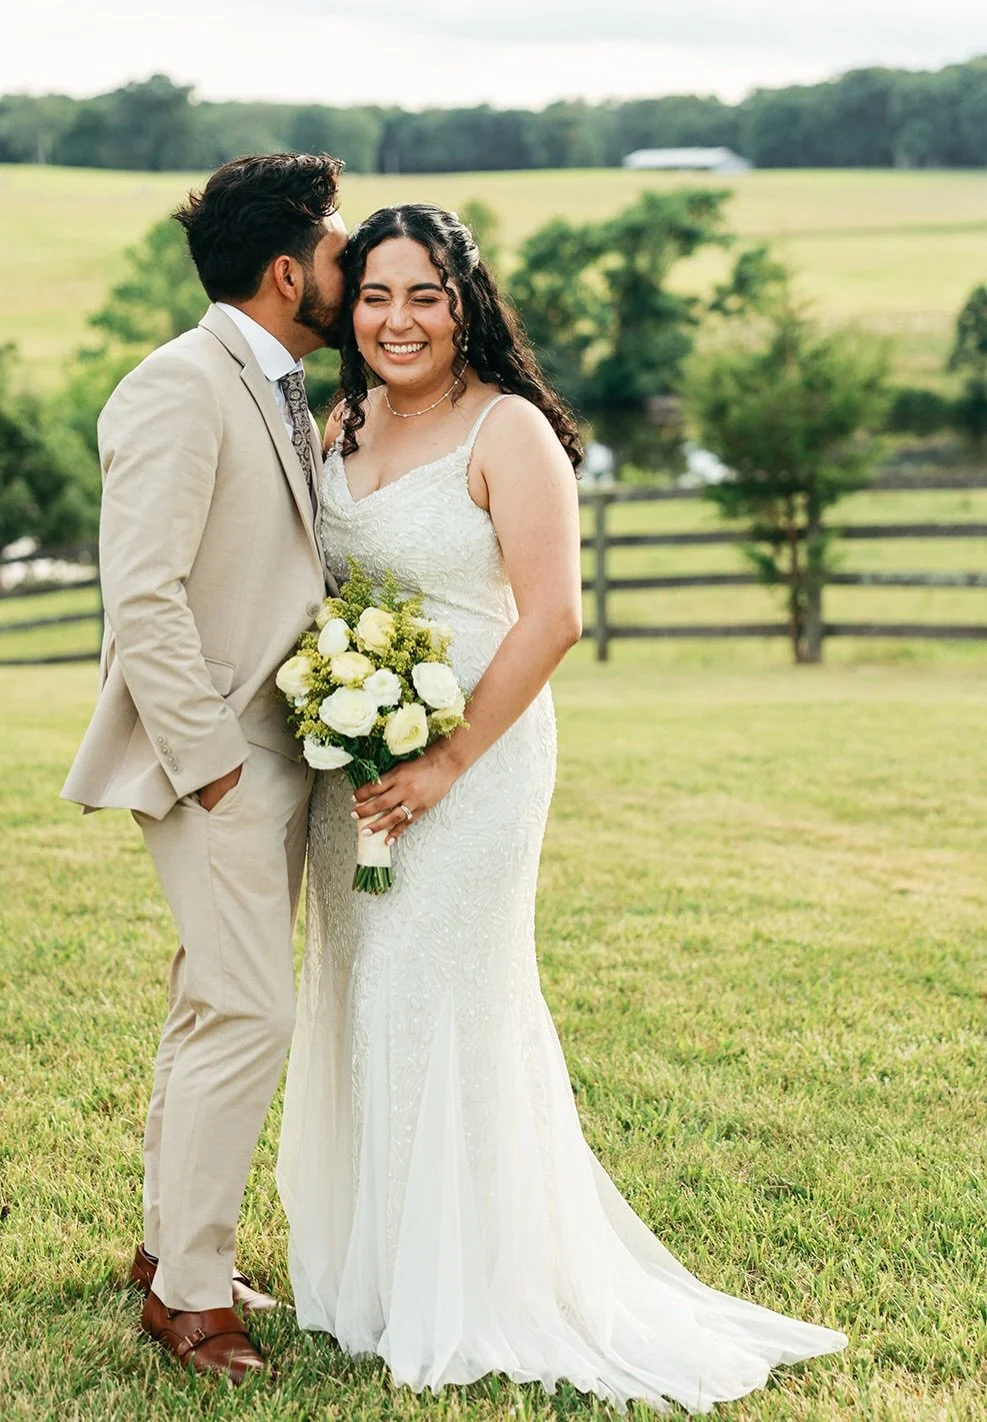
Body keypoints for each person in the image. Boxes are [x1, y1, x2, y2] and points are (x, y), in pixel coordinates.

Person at [275, 204, 847, 1413]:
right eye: (374, 296)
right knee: (365, 991)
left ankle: (476, 1280)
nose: (395, 320)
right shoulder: (346, 418)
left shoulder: (508, 428)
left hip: (471, 767)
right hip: (357, 769)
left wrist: (440, 764)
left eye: (423, 294)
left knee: (444, 994)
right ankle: (379, 1274)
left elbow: (550, 617)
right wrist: (347, 718)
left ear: (465, 299)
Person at [62, 152, 347, 1383]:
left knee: (207, 1003)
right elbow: (144, 593)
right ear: (288, 271)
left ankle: (166, 1251)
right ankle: (189, 1301)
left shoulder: (276, 385)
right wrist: (213, 765)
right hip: (217, 762)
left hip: (275, 755)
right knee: (249, 1011)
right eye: (339, 251)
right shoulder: (178, 385)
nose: (353, 266)